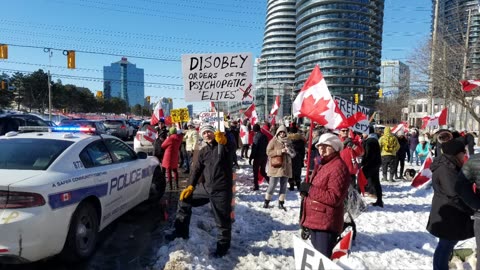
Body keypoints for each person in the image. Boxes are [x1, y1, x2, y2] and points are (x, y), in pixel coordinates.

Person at [166, 125, 233, 258]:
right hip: (206, 188)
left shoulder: (223, 147)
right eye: (204, 133)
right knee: (184, 199)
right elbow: (196, 170)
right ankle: (181, 232)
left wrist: (225, 143)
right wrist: (190, 186)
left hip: (221, 190)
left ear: (214, 133)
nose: (207, 134)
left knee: (222, 219)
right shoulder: (204, 151)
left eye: (209, 132)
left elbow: (230, 152)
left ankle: (223, 247)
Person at [299, 133, 350, 258]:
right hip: (316, 220)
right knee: (318, 260)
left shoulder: (338, 167)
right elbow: (318, 189)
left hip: (326, 224)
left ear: (335, 147)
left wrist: (310, 189)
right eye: (319, 146)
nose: (321, 149)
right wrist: (306, 192)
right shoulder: (323, 164)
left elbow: (334, 197)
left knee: (323, 260)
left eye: (326, 146)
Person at [426, 139, 472, 270]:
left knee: (446, 244)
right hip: (449, 212)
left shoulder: (449, 164)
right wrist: (470, 206)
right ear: (456, 153)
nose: (465, 155)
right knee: (446, 244)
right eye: (463, 152)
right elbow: (454, 192)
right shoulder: (446, 168)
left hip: (449, 210)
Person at [264, 125, 295, 210]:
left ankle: (281, 202)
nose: (282, 134)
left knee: (284, 185)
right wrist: (280, 151)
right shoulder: (273, 141)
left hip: (286, 167)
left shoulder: (288, 141)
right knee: (272, 185)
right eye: (280, 132)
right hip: (276, 167)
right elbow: (268, 152)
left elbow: (293, 154)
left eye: (283, 132)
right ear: (278, 132)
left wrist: (288, 150)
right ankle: (266, 201)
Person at [361, 125, 383, 207]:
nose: (362, 134)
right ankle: (379, 200)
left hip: (370, 164)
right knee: (376, 182)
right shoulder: (374, 139)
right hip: (376, 164)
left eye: (363, 132)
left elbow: (368, 155)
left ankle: (356, 201)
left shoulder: (369, 141)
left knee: (360, 182)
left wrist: (362, 163)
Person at [249, 123, 269, 190]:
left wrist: (251, 157)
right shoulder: (265, 136)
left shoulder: (256, 137)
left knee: (255, 171)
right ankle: (270, 182)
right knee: (262, 171)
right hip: (264, 156)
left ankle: (256, 186)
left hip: (258, 157)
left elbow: (254, 148)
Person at [288, 125, 306, 191]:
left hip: (291, 158)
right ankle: (298, 186)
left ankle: (292, 186)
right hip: (299, 158)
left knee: (291, 172)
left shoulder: (288, 140)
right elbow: (303, 151)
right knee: (298, 172)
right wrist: (302, 158)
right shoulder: (300, 140)